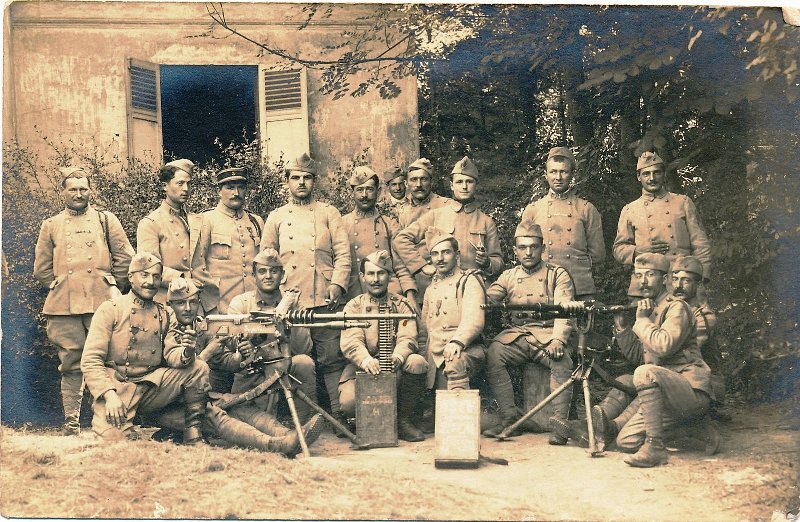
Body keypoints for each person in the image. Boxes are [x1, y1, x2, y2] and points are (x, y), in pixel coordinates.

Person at [153, 277, 324, 456]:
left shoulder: (201, 326)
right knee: (218, 418)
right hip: (169, 404)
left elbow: (224, 362)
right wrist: (207, 353)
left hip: (201, 398)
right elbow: (176, 375)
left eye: (193, 302)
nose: (187, 308)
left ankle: (291, 435)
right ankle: (277, 445)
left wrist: (240, 355)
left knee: (240, 407)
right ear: (170, 304)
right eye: (180, 303)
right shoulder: (163, 330)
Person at [34, 166, 134, 435]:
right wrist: (56, 284)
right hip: (65, 305)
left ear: (90, 191)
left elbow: (125, 257)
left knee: (109, 362)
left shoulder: (106, 219)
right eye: (73, 189)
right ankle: (72, 423)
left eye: (83, 189)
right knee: (70, 363)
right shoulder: (51, 225)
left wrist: (114, 286)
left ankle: (108, 423)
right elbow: (41, 269)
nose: (79, 194)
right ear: (63, 192)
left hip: (101, 301)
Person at [79, 253, 210, 443]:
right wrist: (109, 396)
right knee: (114, 441)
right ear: (131, 277)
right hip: (118, 389)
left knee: (198, 368)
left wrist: (187, 352)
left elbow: (172, 353)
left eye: (156, 277)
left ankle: (192, 436)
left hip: (151, 386)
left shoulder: (165, 313)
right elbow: (91, 361)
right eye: (144, 275)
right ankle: (125, 428)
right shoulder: (111, 309)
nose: (151, 282)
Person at [260, 152, 351, 417]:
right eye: (296, 178)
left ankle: (338, 414)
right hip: (290, 301)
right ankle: (300, 415)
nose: (301, 183)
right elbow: (266, 258)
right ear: (287, 181)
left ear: (314, 182)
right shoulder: (276, 216)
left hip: (325, 297)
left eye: (307, 178)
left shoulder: (328, 213)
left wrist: (338, 284)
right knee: (293, 357)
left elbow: (344, 254)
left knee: (331, 358)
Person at [603, 253, 714, 467]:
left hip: (690, 390)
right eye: (638, 275)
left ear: (664, 280)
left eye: (650, 275)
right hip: (664, 394)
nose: (642, 281)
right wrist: (623, 329)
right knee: (626, 441)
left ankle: (655, 448)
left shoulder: (676, 307)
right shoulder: (650, 307)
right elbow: (641, 356)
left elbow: (663, 346)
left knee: (644, 372)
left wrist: (642, 320)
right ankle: (696, 429)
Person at [482, 221, 578, 444]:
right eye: (523, 247)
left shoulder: (557, 274)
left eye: (534, 247)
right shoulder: (509, 276)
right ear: (515, 250)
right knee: (494, 354)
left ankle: (560, 424)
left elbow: (565, 307)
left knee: (561, 360)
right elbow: (488, 298)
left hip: (547, 336)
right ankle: (509, 418)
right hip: (519, 335)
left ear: (542, 248)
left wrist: (558, 339)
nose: (528, 252)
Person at [338, 250, 428, 442]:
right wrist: (365, 360)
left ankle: (402, 420)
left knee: (417, 362)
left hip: (395, 368)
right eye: (371, 274)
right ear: (362, 277)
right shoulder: (354, 306)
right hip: (363, 367)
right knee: (348, 402)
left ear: (389, 276)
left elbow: (408, 336)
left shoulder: (402, 305)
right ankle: (365, 422)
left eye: (381, 273)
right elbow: (351, 341)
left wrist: (399, 356)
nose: (376, 279)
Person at [394, 156, 503, 309]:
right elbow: (401, 239)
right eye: (459, 182)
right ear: (452, 185)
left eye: (469, 182)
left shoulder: (486, 222)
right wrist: (422, 266)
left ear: (476, 185)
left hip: (475, 294)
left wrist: (487, 263)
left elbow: (497, 261)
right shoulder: (436, 215)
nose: (464, 186)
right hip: (441, 293)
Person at [226, 248, 318, 423]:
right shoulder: (241, 303)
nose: (268, 276)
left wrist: (289, 312)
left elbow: (304, 348)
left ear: (282, 275)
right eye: (262, 271)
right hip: (252, 372)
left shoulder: (293, 303)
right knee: (248, 424)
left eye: (273, 271)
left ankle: (305, 424)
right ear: (254, 275)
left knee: (304, 363)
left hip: (285, 366)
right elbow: (231, 343)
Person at [613, 151, 712, 296]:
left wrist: (702, 277)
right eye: (646, 174)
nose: (652, 178)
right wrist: (639, 250)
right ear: (638, 177)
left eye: (656, 173)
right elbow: (618, 249)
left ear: (664, 174)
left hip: (680, 278)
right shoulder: (630, 209)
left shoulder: (682, 202)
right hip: (646, 282)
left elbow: (700, 243)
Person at [520, 147, 605, 300]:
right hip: (543, 286)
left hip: (579, 287)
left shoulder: (586, 209)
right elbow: (525, 251)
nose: (558, 177)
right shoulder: (533, 210)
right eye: (553, 172)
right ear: (545, 175)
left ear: (572, 174)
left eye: (563, 172)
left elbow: (597, 254)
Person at [136, 159, 217, 312]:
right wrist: (183, 279)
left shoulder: (200, 221)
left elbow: (206, 261)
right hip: (168, 303)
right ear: (165, 186)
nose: (186, 189)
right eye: (180, 183)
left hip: (203, 302)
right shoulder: (151, 223)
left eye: (189, 184)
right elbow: (149, 268)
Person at [420, 228, 486, 391]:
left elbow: (474, 319)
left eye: (446, 252)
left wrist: (457, 341)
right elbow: (425, 330)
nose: (440, 259)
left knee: (454, 369)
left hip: (464, 350)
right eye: (435, 254)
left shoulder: (469, 281)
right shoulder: (430, 289)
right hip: (435, 356)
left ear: (457, 255)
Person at [342, 166, 416, 304]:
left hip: (386, 294)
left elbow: (401, 265)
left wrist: (409, 293)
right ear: (352, 192)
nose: (364, 195)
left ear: (379, 191)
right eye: (359, 189)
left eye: (369, 189)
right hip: (353, 295)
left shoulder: (389, 224)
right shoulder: (341, 224)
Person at [197, 166, 265, 313]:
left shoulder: (256, 221)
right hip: (220, 306)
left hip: (253, 306)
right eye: (230, 188)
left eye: (241, 188)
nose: (236, 193)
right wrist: (206, 307)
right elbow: (198, 267)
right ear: (219, 191)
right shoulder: (206, 220)